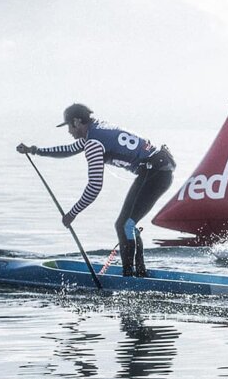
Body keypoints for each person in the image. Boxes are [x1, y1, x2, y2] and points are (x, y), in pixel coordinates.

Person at [17, 103, 176, 276]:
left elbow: (94, 187)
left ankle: (131, 278)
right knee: (124, 225)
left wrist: (72, 213)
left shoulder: (93, 142)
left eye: (69, 126)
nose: (69, 131)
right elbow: (68, 150)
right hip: (156, 171)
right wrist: (34, 151)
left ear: (77, 122)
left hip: (156, 174)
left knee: (126, 225)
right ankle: (139, 274)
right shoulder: (97, 129)